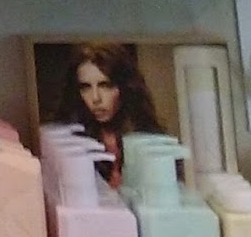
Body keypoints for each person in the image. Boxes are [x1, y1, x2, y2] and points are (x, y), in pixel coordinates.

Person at [49, 41, 166, 186]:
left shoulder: (151, 141)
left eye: (105, 85)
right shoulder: (73, 145)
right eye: (85, 87)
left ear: (125, 86)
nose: (95, 98)